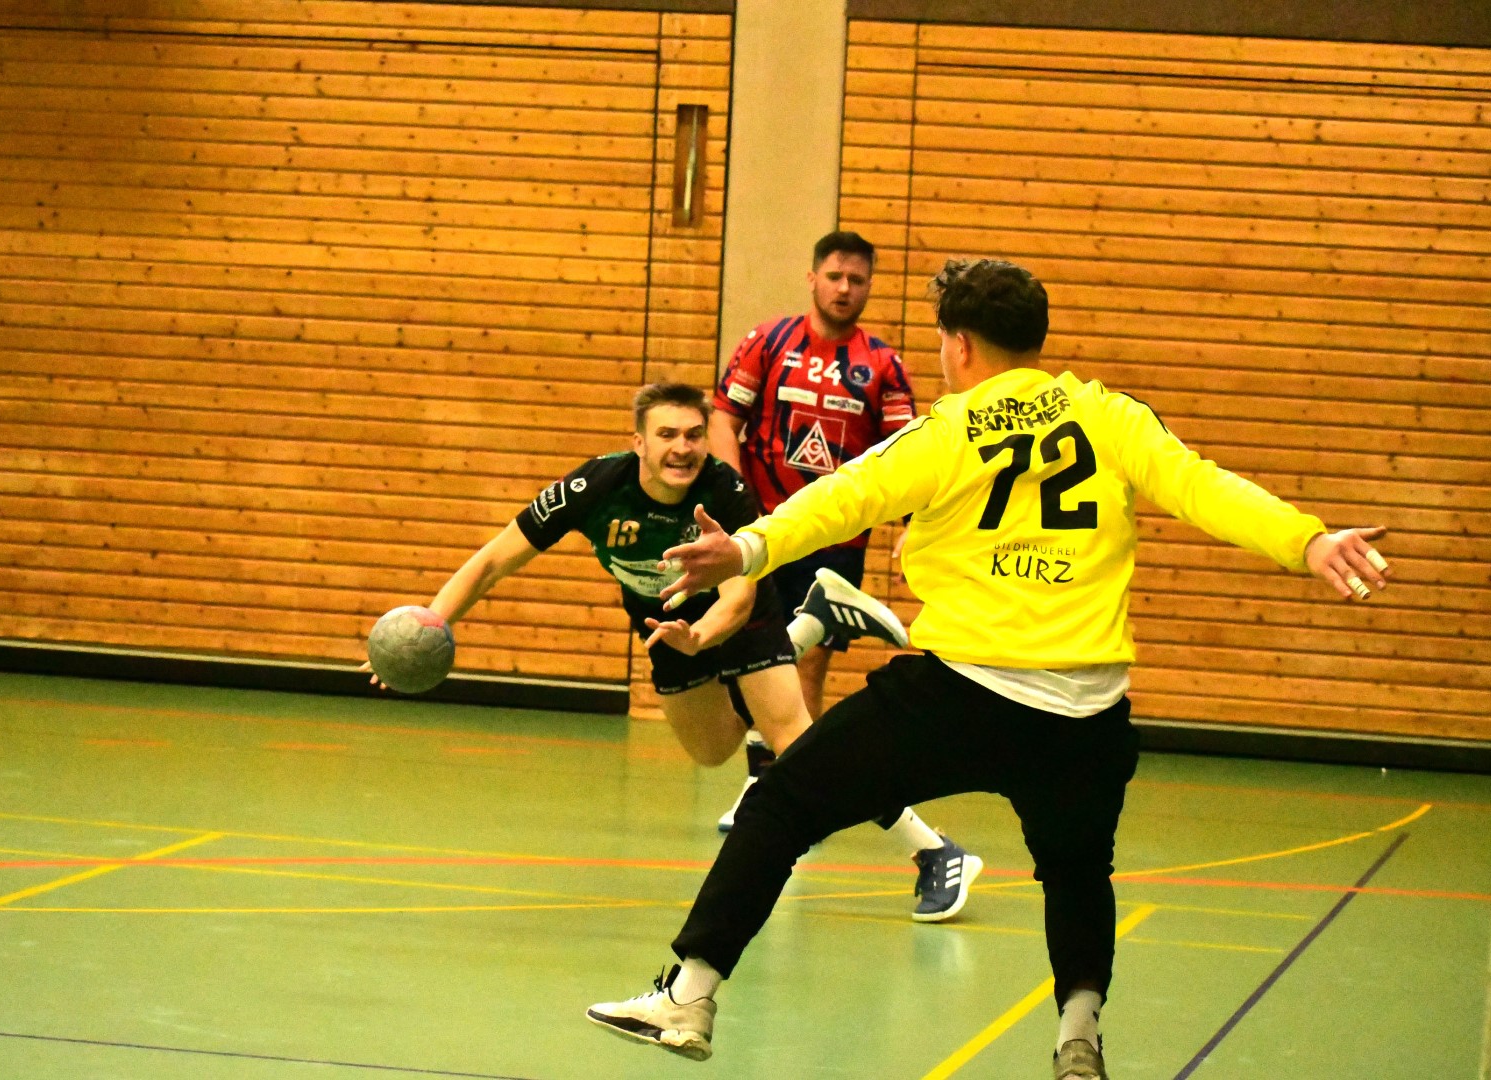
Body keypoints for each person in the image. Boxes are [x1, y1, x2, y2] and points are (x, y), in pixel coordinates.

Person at [584, 261, 1394, 1078]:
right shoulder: (1110, 415)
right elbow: (1203, 487)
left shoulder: (947, 431)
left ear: (960, 344)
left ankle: (689, 996)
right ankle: (1079, 1038)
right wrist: (1308, 541)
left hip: (962, 697)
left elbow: (845, 496)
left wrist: (747, 547)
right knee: (1078, 873)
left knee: (783, 802)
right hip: (1089, 714)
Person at [371, 381, 982, 922]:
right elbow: (493, 561)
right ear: (638, 442)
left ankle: (935, 852)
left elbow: (740, 598)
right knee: (712, 750)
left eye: (693, 435)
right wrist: (429, 625)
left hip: (736, 620)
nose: (682, 448)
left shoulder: (725, 492)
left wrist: (703, 637)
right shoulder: (592, 488)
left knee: (799, 746)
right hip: (664, 625)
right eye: (667, 435)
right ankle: (814, 624)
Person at [708, 230, 918, 829]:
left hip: (836, 541)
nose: (844, 288)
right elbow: (724, 417)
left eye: (857, 280)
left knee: (807, 666)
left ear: (869, 287)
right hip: (765, 532)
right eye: (834, 277)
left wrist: (912, 524)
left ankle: (779, 790)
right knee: (755, 657)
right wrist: (738, 505)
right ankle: (767, 784)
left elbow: (906, 453)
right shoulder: (770, 341)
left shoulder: (883, 365)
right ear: (812, 278)